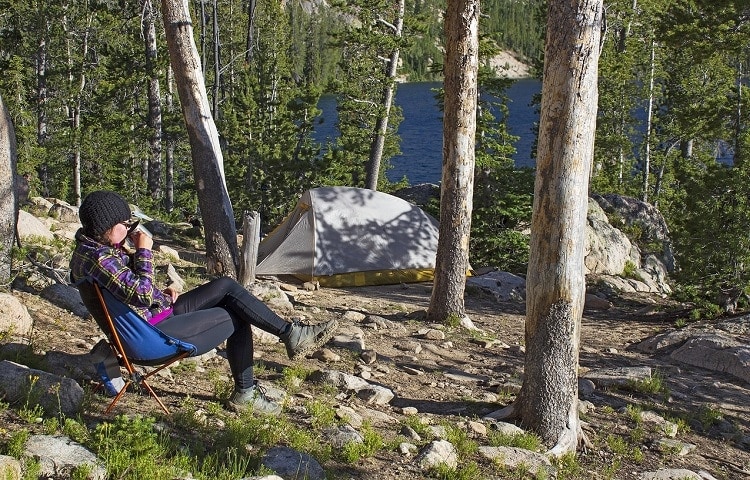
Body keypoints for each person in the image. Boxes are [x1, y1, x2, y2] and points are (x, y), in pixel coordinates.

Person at [69, 190, 339, 415]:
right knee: (236, 315)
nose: (131, 231)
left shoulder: (94, 250)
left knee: (227, 287)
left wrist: (161, 295)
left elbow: (134, 292)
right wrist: (143, 251)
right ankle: (247, 392)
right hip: (147, 338)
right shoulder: (100, 259)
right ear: (108, 226)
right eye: (127, 226)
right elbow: (140, 292)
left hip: (150, 319)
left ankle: (291, 333)